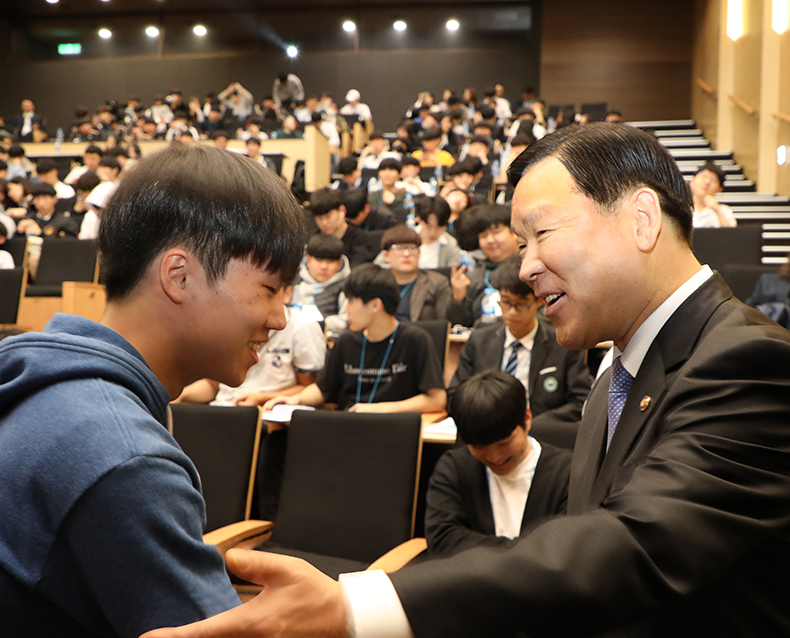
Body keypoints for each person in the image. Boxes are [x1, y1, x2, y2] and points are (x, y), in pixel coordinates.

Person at [143, 122, 790, 638]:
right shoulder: (625, 368)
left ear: (642, 220)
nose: (525, 265)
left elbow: (635, 548)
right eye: (518, 242)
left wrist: (356, 608)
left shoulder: (749, 362)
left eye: (541, 235)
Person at [0, 143, 307, 637]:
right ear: (179, 275)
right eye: (269, 290)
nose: (279, 318)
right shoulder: (120, 455)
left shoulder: (48, 385)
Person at [265, 263, 446, 414]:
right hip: (349, 425)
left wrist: (378, 409)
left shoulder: (415, 340)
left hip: (394, 428)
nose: (345, 310)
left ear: (375, 305)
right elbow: (322, 389)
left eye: (351, 301)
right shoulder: (346, 341)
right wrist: (295, 399)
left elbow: (437, 399)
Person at [426, 369, 571, 557]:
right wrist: (527, 552)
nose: (495, 458)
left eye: (505, 443)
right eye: (479, 447)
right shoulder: (453, 468)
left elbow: (567, 548)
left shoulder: (568, 472)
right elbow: (442, 540)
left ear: (527, 419)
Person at [449, 256, 592, 428]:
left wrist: (535, 425)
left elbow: (581, 401)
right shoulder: (479, 341)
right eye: (506, 302)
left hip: (541, 432)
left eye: (521, 305)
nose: (511, 313)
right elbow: (454, 395)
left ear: (539, 301)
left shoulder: (563, 344)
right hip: (486, 429)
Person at [175, 287, 326, 407]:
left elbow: (309, 387)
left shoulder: (302, 327)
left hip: (271, 414)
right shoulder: (229, 323)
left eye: (271, 292)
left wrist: (261, 398)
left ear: (287, 293)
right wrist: (183, 394)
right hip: (223, 411)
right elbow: (213, 385)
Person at [447, 204, 521, 327]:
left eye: (496, 232)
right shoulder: (472, 278)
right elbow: (458, 325)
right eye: (483, 236)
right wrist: (458, 300)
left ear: (514, 232)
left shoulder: (531, 271)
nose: (490, 240)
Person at [376, 224, 452, 323]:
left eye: (412, 248)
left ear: (419, 253)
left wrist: (458, 299)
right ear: (386, 255)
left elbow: (446, 323)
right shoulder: (376, 283)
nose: (406, 254)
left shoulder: (437, 283)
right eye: (399, 249)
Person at [289, 233, 351, 332]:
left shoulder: (347, 286)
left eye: (330, 261)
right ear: (308, 260)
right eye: (318, 260)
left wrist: (320, 325)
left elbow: (347, 319)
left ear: (339, 264)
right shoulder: (292, 279)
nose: (324, 267)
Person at [309, 187, 376, 267]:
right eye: (319, 218)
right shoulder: (312, 238)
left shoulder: (360, 240)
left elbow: (357, 271)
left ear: (342, 211)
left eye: (328, 217)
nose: (324, 223)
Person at [689, 162, 736, 228]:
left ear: (719, 189)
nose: (707, 182)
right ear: (692, 181)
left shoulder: (724, 211)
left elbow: (731, 235)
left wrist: (717, 210)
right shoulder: (680, 208)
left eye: (713, 180)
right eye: (703, 176)